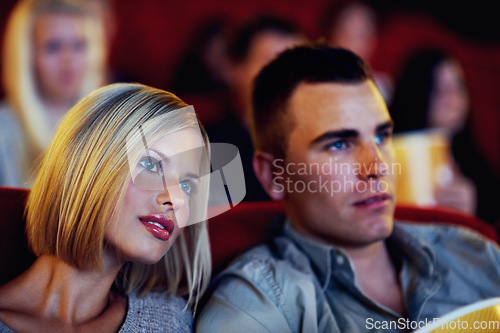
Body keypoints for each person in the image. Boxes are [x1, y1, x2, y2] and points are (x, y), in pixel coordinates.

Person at [196, 44, 500, 332]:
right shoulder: (256, 304)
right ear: (275, 175)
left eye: (381, 137)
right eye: (340, 144)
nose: (378, 167)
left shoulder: (476, 253)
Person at [0, 83, 212, 332]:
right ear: (85, 164)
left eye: (187, 186)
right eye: (151, 164)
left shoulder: (172, 320)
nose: (176, 199)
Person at [0, 0, 107, 187]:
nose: (69, 60)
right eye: (53, 47)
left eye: (78, 45)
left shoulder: (107, 123)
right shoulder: (4, 130)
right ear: (26, 55)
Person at [390, 49, 499, 225]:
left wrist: (474, 211)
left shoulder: (478, 167)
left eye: (459, 87)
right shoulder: (390, 156)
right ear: (417, 93)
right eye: (440, 90)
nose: (453, 100)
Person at [205, 14, 305, 202]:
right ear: (232, 69)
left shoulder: (320, 143)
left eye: (296, 65)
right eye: (271, 63)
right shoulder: (207, 147)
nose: (286, 77)